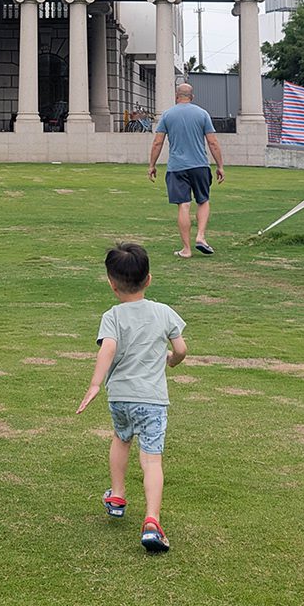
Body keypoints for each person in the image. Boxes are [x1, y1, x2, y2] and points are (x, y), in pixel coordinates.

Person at [77, 241, 186, 553]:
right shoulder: (164, 313)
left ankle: (118, 495)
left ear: (112, 284)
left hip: (120, 398)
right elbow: (180, 349)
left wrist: (96, 384)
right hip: (152, 400)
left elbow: (108, 348)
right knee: (151, 459)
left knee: (121, 439)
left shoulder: (112, 316)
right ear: (148, 279)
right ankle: (152, 521)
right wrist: (172, 360)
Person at [147, 81, 225, 258]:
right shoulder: (202, 114)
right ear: (192, 97)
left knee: (183, 205)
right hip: (200, 165)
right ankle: (201, 236)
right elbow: (212, 142)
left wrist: (152, 165)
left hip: (177, 167)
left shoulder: (167, 115)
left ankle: (186, 249)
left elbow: (157, 142)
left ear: (176, 96)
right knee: (203, 200)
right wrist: (220, 166)